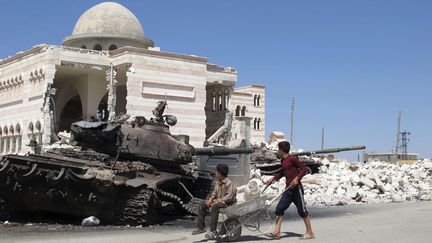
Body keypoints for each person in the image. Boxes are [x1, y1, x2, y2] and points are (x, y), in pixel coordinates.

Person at [264, 141, 315, 240]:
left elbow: (304, 169)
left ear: (282, 149)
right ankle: (277, 232)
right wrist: (273, 179)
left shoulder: (292, 159)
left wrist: (297, 178)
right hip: (288, 190)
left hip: (297, 190)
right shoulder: (283, 161)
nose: (277, 151)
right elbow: (282, 172)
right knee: (279, 209)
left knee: (302, 211)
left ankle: (310, 233)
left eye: (278, 149)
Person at [192, 163, 237, 239]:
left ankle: (213, 231)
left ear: (220, 173)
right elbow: (214, 192)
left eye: (217, 172)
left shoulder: (229, 183)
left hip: (226, 204)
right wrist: (210, 200)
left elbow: (229, 197)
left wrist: (217, 201)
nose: (215, 173)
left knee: (214, 206)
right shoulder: (218, 182)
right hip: (218, 202)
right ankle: (201, 228)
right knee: (203, 204)